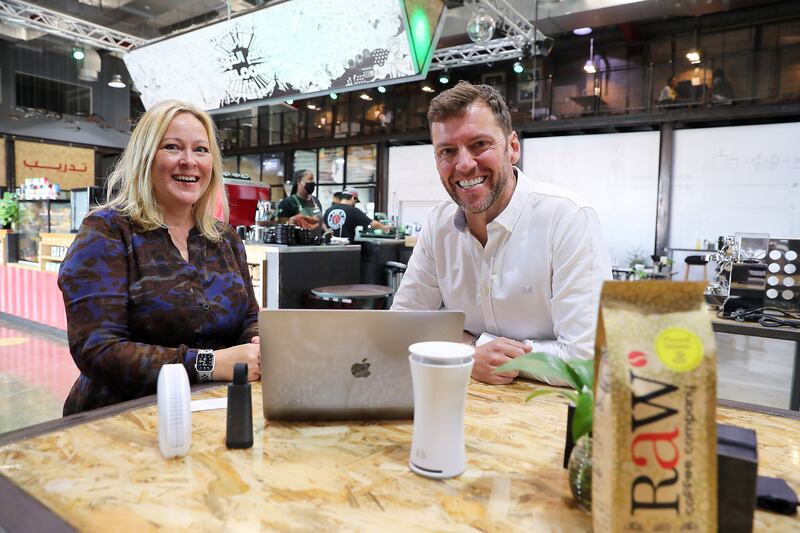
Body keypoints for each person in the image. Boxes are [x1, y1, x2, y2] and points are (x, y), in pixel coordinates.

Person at [391, 81, 612, 385]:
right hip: (467, 409)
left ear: (513, 148)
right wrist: (469, 351)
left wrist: (474, 345)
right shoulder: (438, 224)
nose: (464, 164)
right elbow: (402, 326)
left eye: (479, 144)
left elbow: (587, 359)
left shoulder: (568, 218)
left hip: (547, 416)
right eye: (447, 151)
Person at [57, 100, 261, 415]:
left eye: (201, 150)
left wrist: (257, 342)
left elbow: (248, 316)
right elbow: (98, 350)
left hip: (214, 410)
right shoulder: (107, 232)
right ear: (146, 157)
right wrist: (209, 364)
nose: (189, 161)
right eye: (172, 147)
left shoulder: (225, 238)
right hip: (123, 419)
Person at [323, 188, 390, 242]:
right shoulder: (353, 211)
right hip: (345, 248)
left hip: (329, 247)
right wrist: (386, 228)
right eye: (356, 201)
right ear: (353, 198)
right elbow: (373, 224)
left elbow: (323, 226)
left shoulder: (329, 210)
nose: (355, 203)